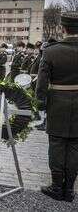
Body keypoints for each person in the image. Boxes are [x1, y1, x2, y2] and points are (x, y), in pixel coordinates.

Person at [36, 11, 78, 203]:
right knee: (75, 146)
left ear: (63, 28)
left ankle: (56, 186)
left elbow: (41, 83)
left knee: (57, 144)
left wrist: (40, 104)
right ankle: (69, 189)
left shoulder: (51, 51)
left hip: (58, 103)